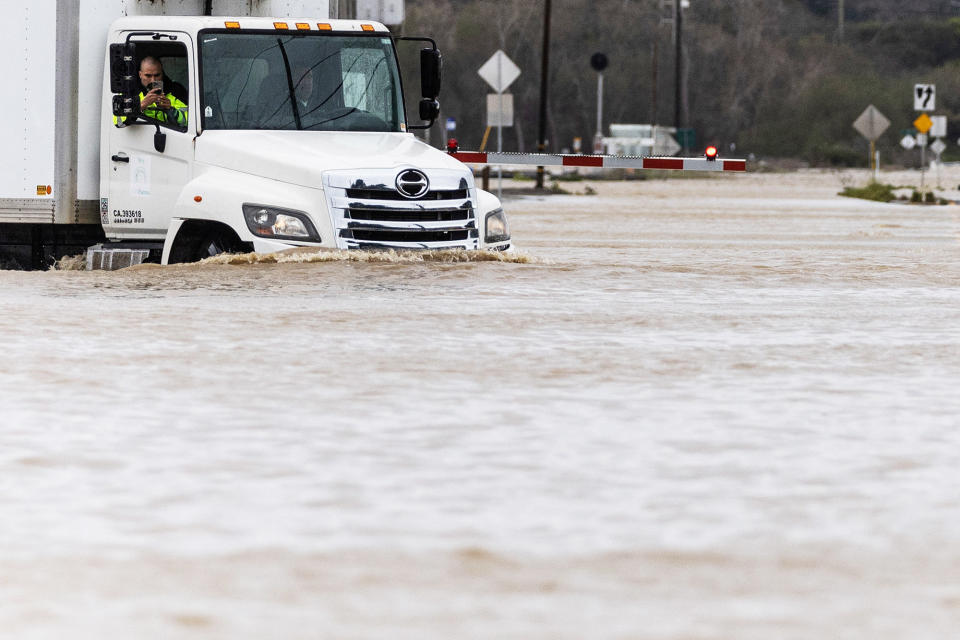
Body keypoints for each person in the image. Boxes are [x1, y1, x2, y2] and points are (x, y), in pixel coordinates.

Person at [116, 56, 188, 126]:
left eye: (157, 75)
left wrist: (171, 110)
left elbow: (190, 123)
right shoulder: (128, 92)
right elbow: (119, 123)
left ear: (162, 73)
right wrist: (140, 107)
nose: (153, 80)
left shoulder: (176, 90)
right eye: (148, 76)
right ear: (140, 74)